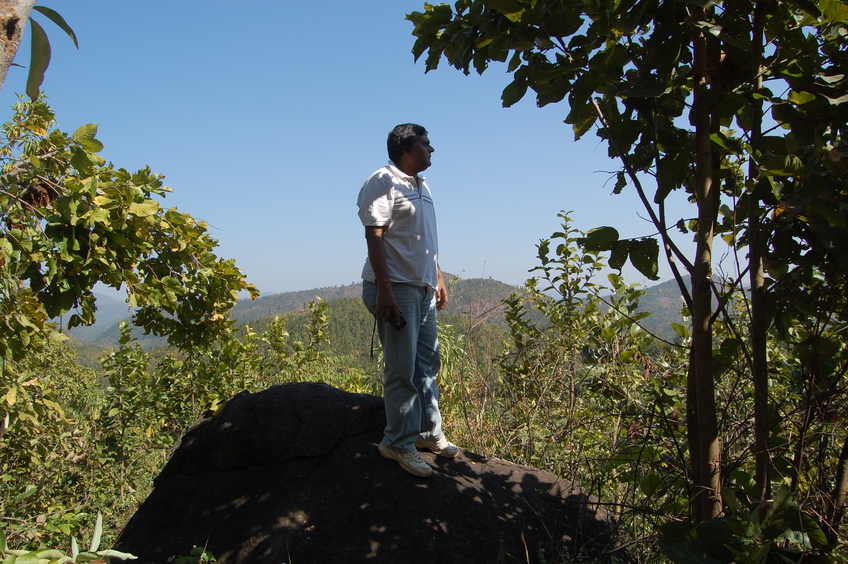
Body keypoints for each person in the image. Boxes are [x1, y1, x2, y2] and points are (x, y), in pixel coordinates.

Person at [357, 123, 458, 478]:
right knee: (402, 369)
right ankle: (397, 443)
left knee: (427, 365)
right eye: (426, 144)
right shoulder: (382, 181)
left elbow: (421, 240)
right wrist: (384, 286)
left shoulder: (422, 185)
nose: (432, 149)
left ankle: (428, 434)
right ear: (406, 149)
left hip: (422, 287)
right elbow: (375, 234)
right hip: (395, 287)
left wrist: (439, 277)